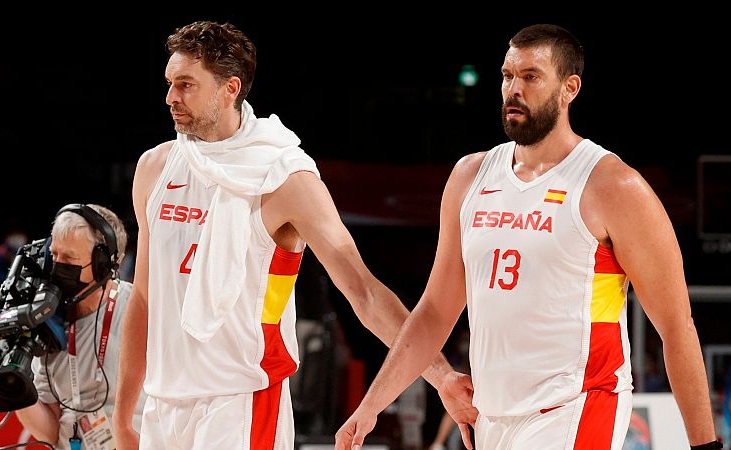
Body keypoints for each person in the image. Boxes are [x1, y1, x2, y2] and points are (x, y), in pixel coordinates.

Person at [335, 23, 722, 450]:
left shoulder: (613, 186)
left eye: (531, 76)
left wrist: (705, 445)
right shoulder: (469, 176)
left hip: (577, 406)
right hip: (493, 416)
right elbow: (433, 313)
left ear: (569, 88)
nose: (513, 89)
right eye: (507, 76)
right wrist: (371, 404)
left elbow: (676, 326)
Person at [111, 20, 474, 450]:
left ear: (230, 89)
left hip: (241, 400)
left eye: (186, 85)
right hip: (164, 402)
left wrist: (441, 375)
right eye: (171, 83)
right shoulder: (155, 168)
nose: (171, 97)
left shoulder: (284, 177)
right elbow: (144, 297)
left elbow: (364, 291)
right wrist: (123, 411)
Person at [0, 204, 145, 450]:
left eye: (69, 258)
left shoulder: (140, 311)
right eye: (55, 255)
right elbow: (49, 431)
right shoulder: (47, 322)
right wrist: (14, 387)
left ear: (103, 264)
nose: (57, 266)